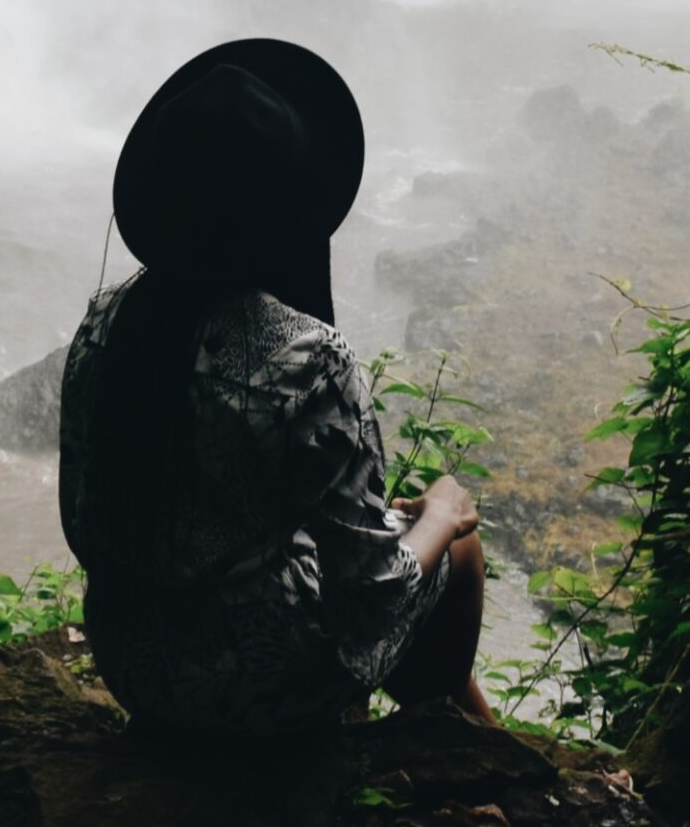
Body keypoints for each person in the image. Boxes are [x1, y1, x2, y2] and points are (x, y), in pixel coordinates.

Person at [56, 38, 492, 737]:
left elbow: (84, 528)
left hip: (131, 665)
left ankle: (483, 732)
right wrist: (443, 514)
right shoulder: (307, 360)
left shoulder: (107, 324)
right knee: (456, 543)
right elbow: (373, 594)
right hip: (250, 701)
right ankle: (437, 754)